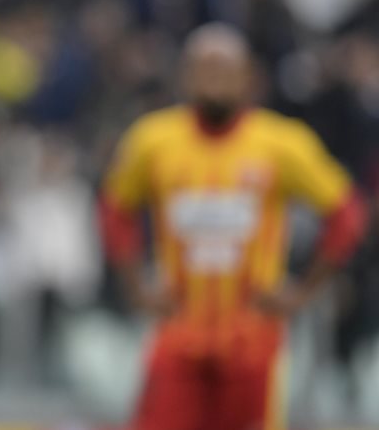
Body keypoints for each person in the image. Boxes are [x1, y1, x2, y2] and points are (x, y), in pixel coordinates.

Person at [100, 23, 368, 430]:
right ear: (185, 76)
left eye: (225, 69)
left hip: (252, 338)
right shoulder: (152, 141)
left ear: (248, 77)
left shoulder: (282, 144)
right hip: (178, 333)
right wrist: (137, 286)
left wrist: (302, 291)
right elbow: (116, 210)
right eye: (204, 69)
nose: (214, 80)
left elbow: (346, 215)